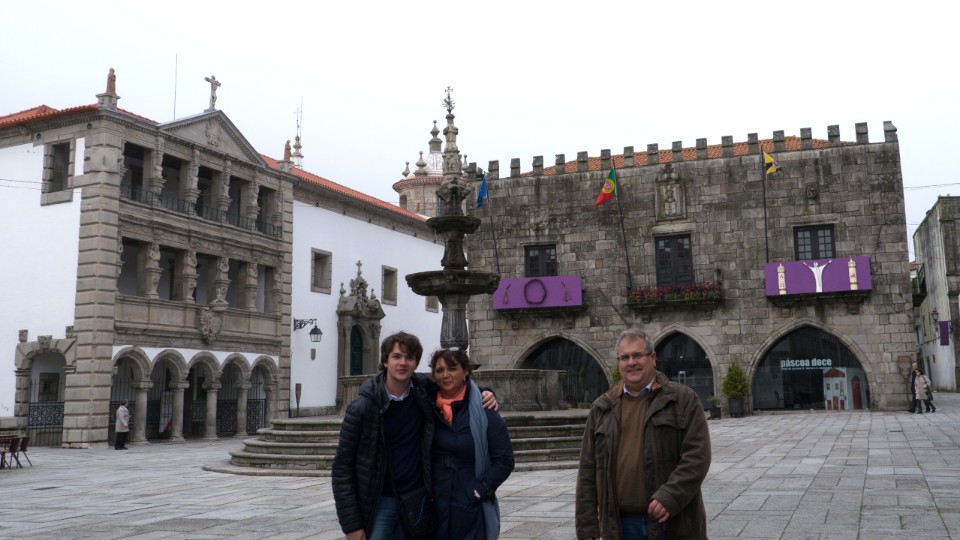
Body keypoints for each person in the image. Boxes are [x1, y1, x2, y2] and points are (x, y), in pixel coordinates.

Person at [332, 332, 497, 540]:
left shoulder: (423, 392)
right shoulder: (363, 407)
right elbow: (342, 469)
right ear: (385, 361)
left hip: (417, 500)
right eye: (396, 356)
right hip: (379, 503)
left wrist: (485, 392)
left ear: (416, 363)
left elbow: (454, 386)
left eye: (409, 357)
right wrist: (351, 525)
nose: (403, 363)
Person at [576, 327, 711, 540]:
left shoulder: (682, 399)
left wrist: (671, 496)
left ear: (653, 358)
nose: (631, 362)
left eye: (638, 355)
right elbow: (587, 469)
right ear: (619, 363)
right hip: (620, 525)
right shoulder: (602, 407)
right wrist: (587, 525)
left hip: (672, 520)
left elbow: (697, 456)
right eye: (625, 357)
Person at [429, 348, 514, 539]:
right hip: (435, 504)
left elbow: (504, 460)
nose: (446, 375)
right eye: (440, 370)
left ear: (465, 372)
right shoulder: (426, 406)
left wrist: (480, 490)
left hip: (470, 506)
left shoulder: (484, 410)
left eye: (452, 368)